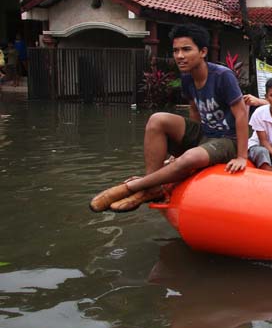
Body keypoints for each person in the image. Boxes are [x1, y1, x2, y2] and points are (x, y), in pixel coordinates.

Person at [90, 24, 249, 212]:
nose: (179, 55)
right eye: (176, 50)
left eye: (186, 49)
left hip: (227, 139)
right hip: (205, 133)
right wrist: (188, 146)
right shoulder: (187, 77)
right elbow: (194, 109)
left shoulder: (223, 76)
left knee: (190, 157)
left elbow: (241, 113)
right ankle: (153, 187)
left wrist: (241, 156)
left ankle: (134, 186)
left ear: (203, 52)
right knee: (157, 119)